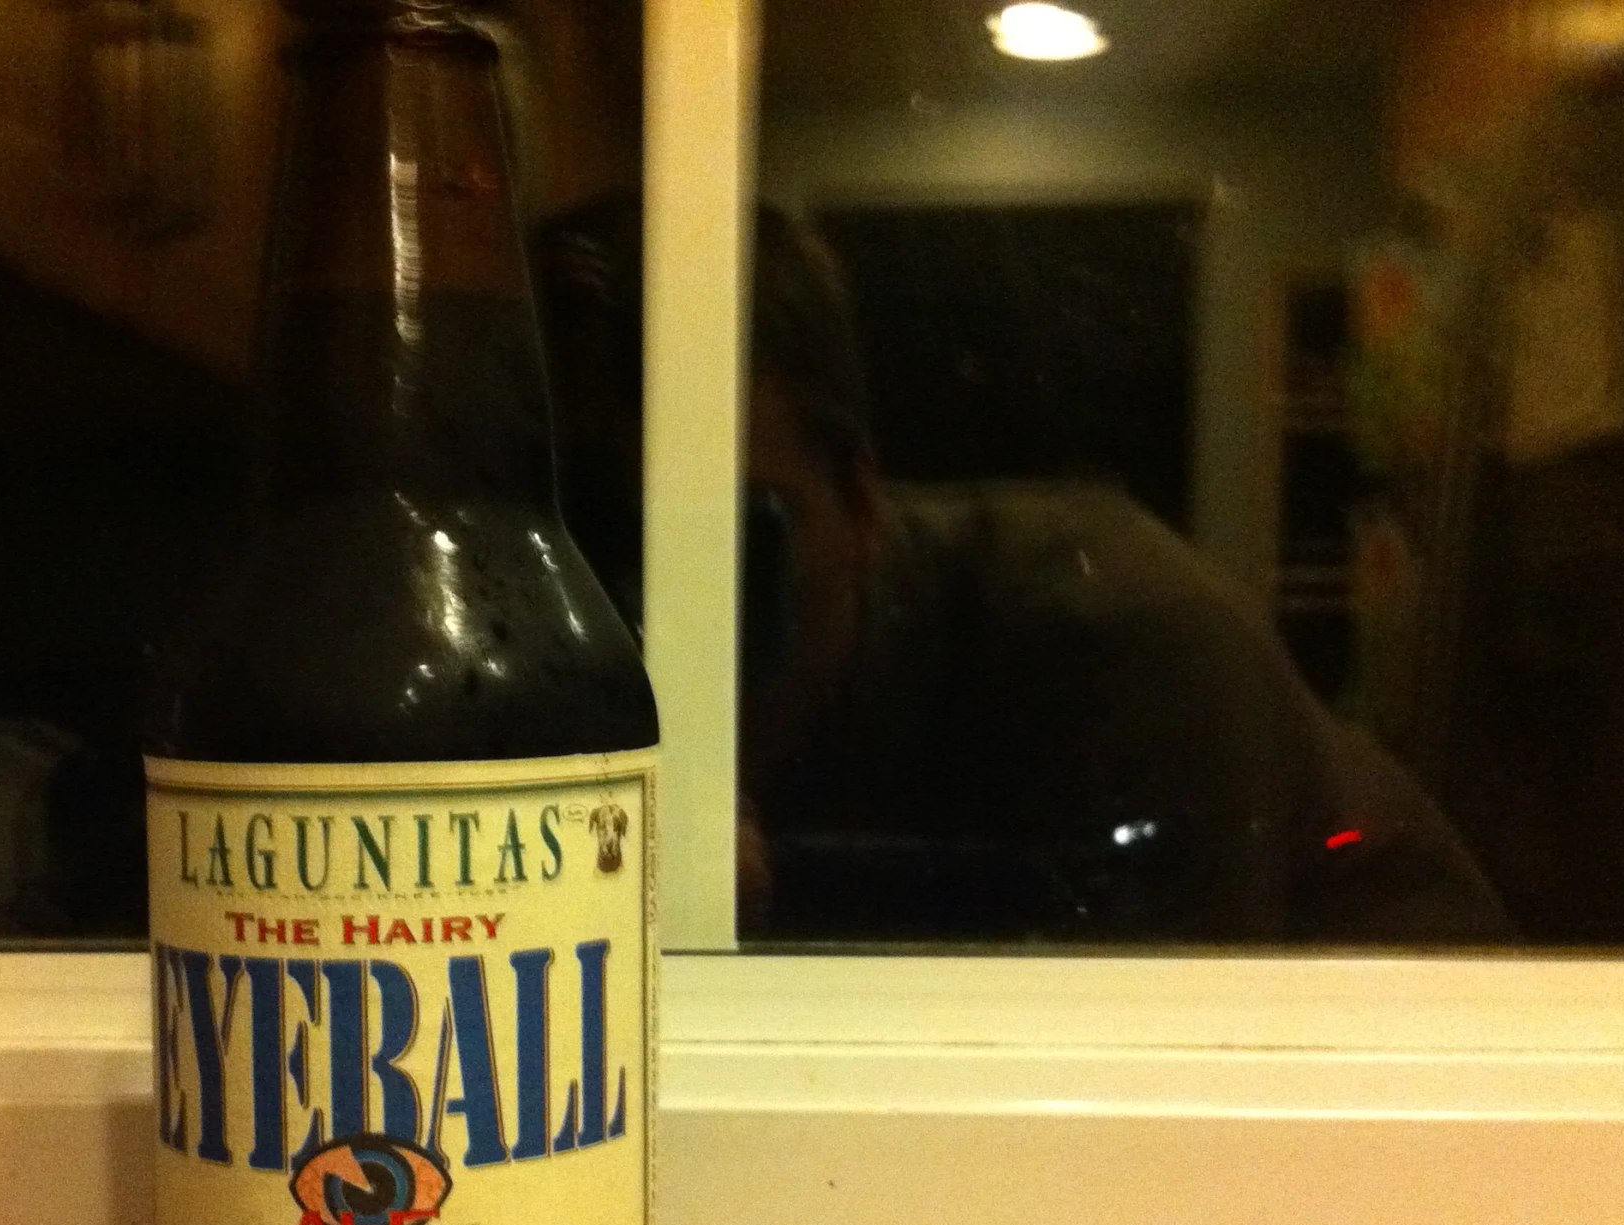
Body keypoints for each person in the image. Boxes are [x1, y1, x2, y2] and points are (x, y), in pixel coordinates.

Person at [538, 198, 1511, 944]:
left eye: (725, 548)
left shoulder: (1121, 641)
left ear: (864, 505)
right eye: (580, 547)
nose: (649, 626)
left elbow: (1151, 1106)